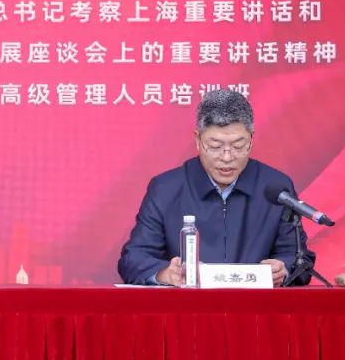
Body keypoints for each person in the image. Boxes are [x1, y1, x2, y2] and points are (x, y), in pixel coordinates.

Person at [118, 89, 315, 287]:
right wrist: (165, 274)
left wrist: (284, 269)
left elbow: (298, 257)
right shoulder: (166, 189)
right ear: (198, 141)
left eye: (238, 145)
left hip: (254, 305)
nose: (227, 157)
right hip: (188, 305)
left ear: (251, 139)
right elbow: (134, 258)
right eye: (215, 146)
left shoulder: (276, 188)